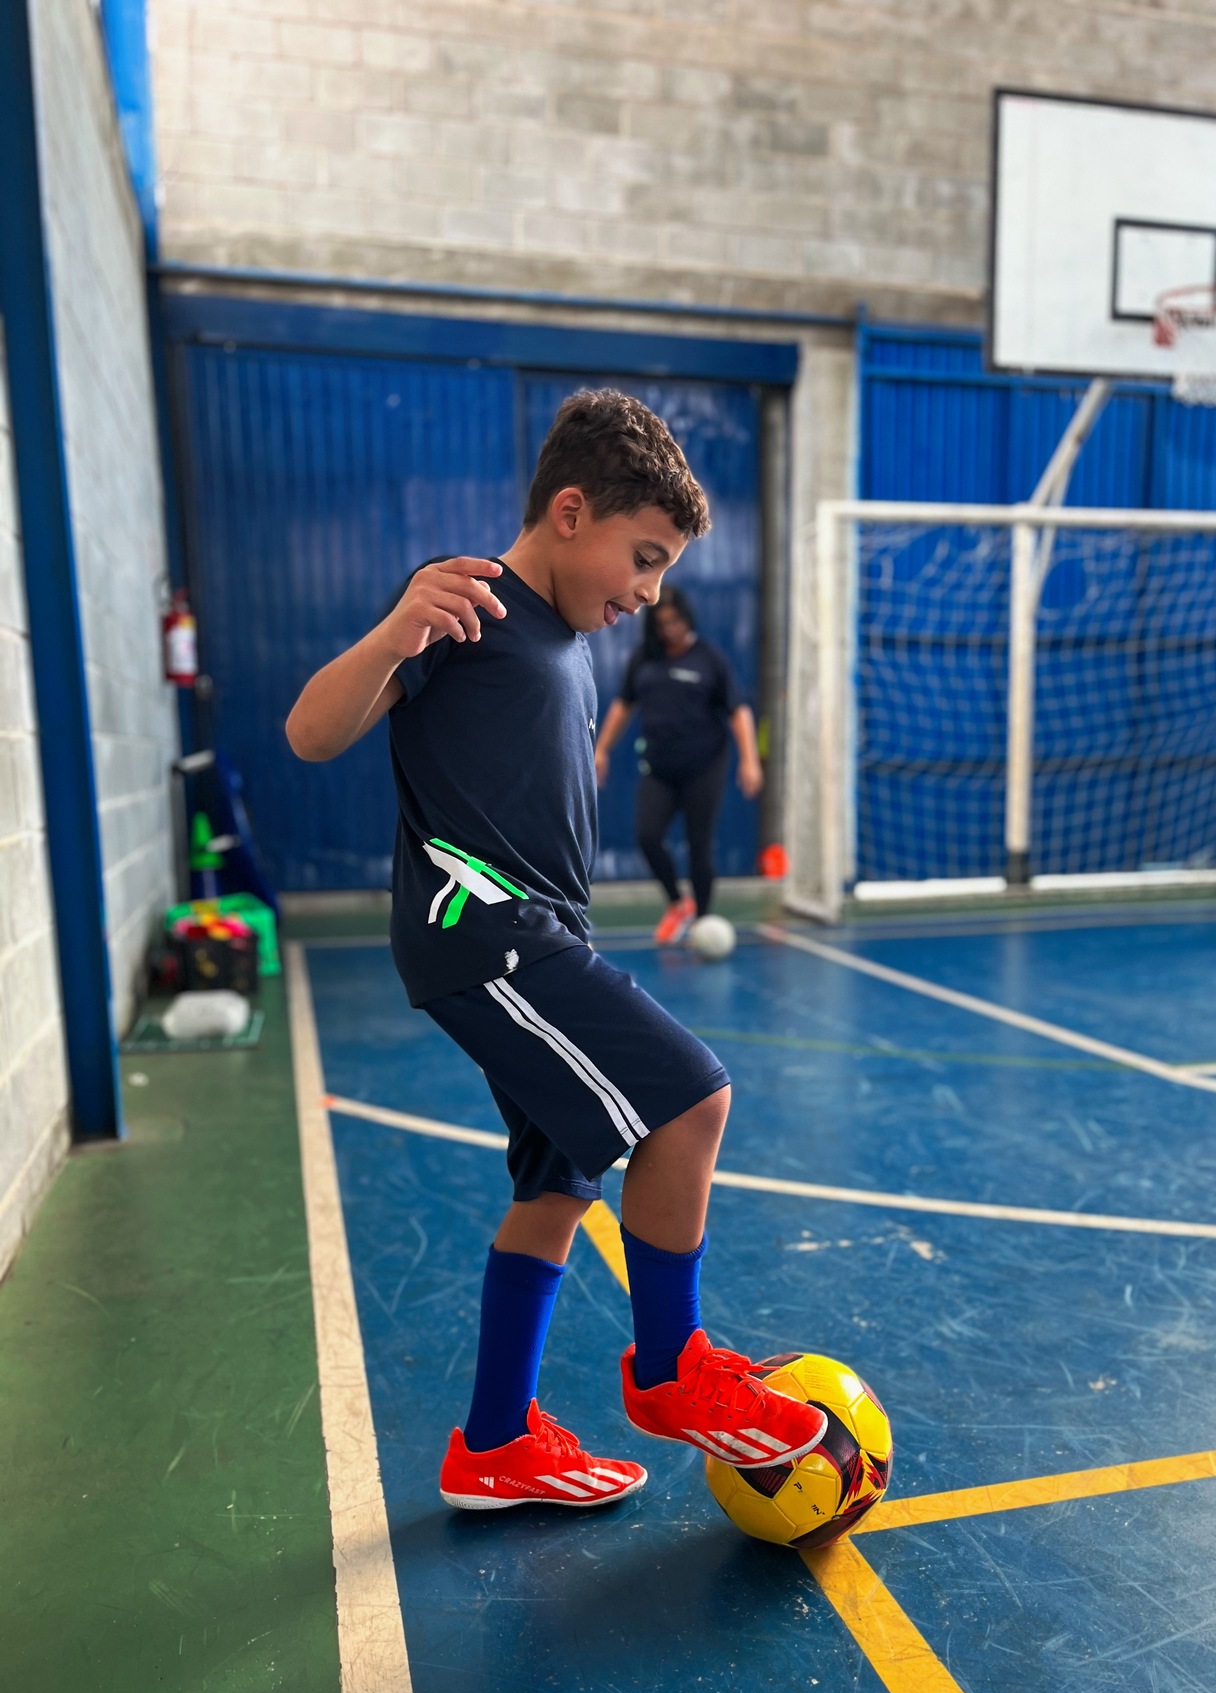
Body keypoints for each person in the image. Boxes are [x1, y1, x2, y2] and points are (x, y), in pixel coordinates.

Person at [284, 390, 826, 1512]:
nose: (650, 591)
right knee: (692, 1099)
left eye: (664, 569)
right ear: (569, 512)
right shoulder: (467, 601)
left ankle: (493, 1442)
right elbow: (312, 732)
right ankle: (673, 1367)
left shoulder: (571, 639)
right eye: (645, 556)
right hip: (483, 935)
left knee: (558, 1183)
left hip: (535, 935)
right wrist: (397, 629)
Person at [593, 586, 763, 944]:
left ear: (686, 619)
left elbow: (738, 710)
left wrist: (749, 760)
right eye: (662, 622)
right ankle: (677, 903)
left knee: (699, 845)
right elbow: (624, 705)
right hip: (659, 767)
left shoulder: (709, 659)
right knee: (648, 836)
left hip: (705, 765)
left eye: (675, 620)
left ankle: (702, 920)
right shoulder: (645, 658)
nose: (670, 628)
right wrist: (602, 750)